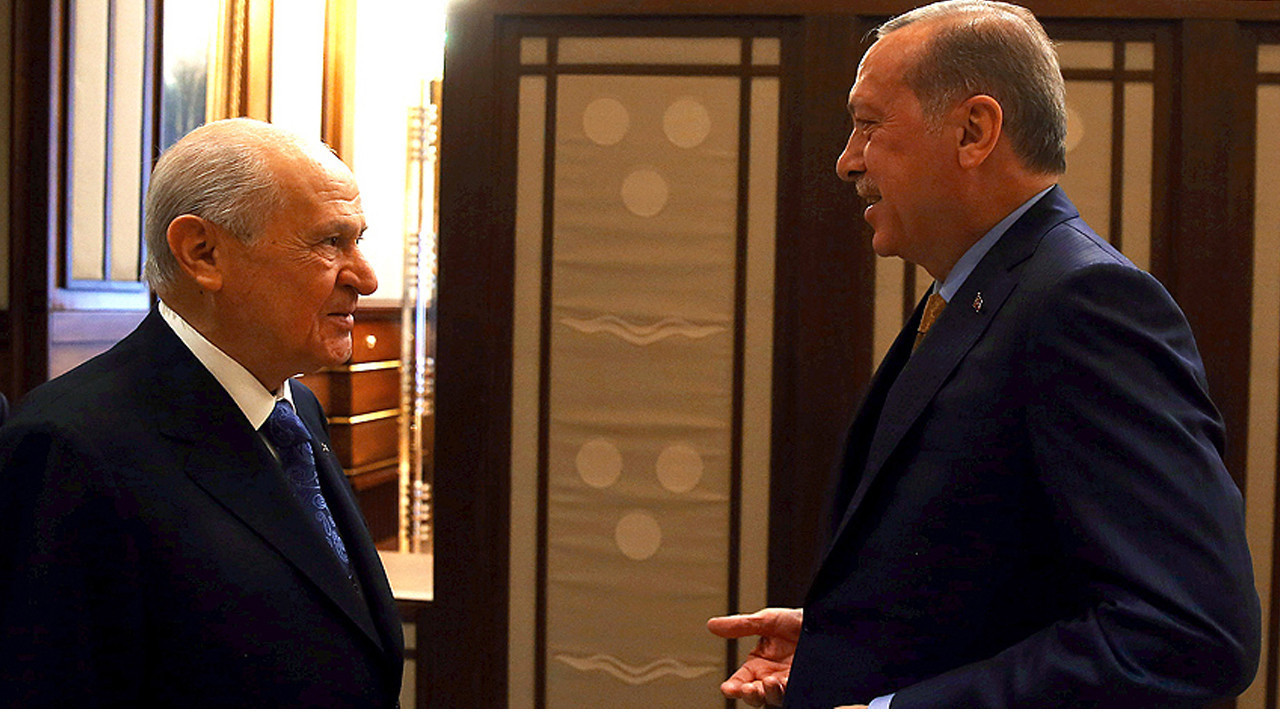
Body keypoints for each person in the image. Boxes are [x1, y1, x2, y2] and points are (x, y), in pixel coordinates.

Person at [708, 0, 1259, 708]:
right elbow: (1005, 567)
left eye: (869, 124)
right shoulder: (984, 288)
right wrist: (848, 644)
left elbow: (1187, 633)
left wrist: (895, 712)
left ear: (974, 131)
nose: (847, 161)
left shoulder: (1084, 302)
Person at [0, 118, 403, 706]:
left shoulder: (297, 411)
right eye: (329, 242)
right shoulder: (68, 448)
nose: (366, 277)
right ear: (202, 253)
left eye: (358, 240)